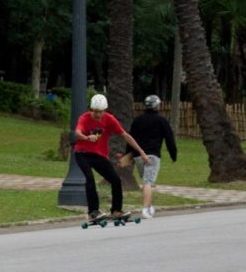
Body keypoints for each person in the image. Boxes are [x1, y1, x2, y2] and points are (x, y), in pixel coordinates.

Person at [74, 93, 150, 223]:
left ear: (105, 110)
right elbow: (77, 133)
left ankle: (116, 210)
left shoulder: (109, 119)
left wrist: (141, 151)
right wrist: (86, 137)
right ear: (91, 109)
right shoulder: (84, 118)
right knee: (89, 178)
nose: (98, 115)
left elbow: (125, 135)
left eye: (101, 112)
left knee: (115, 179)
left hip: (98, 155)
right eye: (95, 111)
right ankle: (93, 212)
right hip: (82, 153)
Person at [118, 94, 177, 218]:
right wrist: (173, 155)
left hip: (138, 156)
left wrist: (128, 156)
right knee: (148, 182)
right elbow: (169, 139)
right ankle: (145, 209)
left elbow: (131, 138)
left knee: (146, 181)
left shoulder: (137, 120)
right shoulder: (161, 120)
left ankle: (150, 206)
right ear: (157, 106)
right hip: (152, 157)